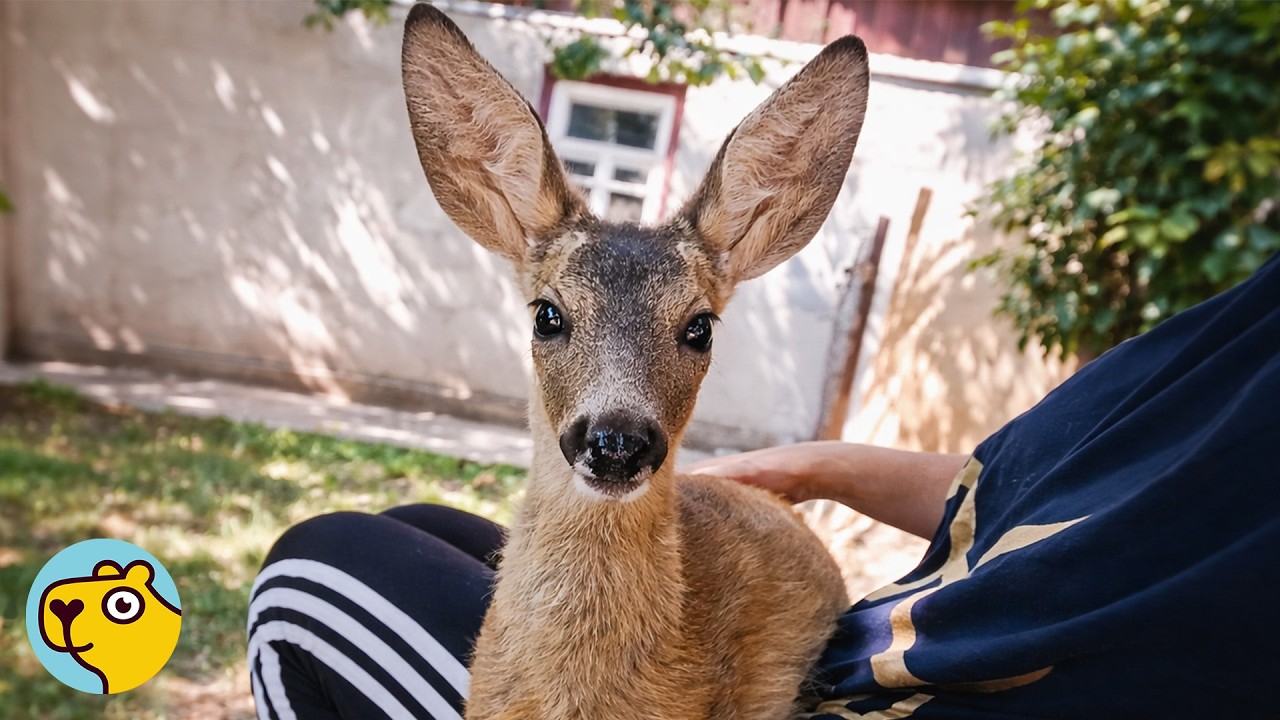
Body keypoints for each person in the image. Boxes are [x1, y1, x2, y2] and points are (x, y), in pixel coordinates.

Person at [247, 253, 1278, 720]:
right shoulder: (1246, 345)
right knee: (418, 525)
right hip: (886, 645)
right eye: (553, 323)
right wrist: (801, 467)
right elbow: (1012, 494)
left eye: (690, 334)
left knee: (315, 575)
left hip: (856, 693)